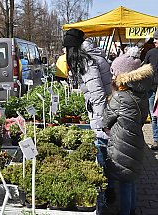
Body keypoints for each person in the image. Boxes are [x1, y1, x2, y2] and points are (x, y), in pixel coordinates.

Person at [63, 28, 113, 215]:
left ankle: (106, 197)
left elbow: (98, 95)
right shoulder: (92, 54)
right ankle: (110, 192)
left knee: (102, 152)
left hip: (102, 114)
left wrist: (100, 124)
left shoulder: (87, 60)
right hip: (105, 110)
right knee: (107, 154)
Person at [103, 48, 153, 215]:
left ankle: (124, 212)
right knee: (130, 180)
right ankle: (131, 209)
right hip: (136, 140)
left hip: (120, 144)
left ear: (123, 76)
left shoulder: (119, 97)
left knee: (123, 180)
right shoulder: (142, 93)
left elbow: (107, 119)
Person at [144, 29, 158, 150]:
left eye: (157, 39)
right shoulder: (151, 52)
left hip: (153, 87)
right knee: (154, 115)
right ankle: (156, 140)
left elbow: (144, 69)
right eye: (155, 39)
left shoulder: (150, 52)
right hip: (152, 88)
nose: (155, 41)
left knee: (154, 115)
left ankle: (156, 139)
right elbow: (145, 68)